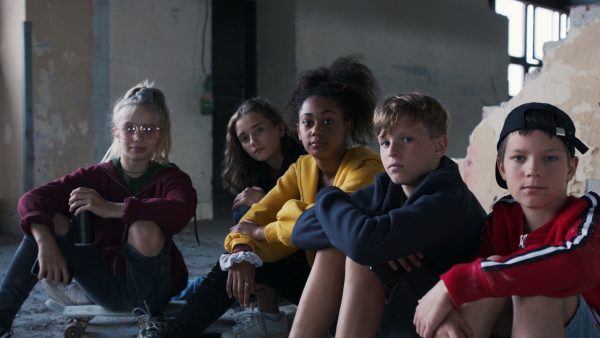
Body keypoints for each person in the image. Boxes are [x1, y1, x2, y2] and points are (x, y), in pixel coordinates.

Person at [157, 55, 384, 338]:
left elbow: (320, 226)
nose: (317, 130)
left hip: (358, 297)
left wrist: (263, 232)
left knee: (324, 246)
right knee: (236, 259)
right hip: (314, 285)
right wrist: (241, 249)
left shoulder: (365, 166)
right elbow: (255, 215)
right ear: (298, 130)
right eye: (308, 122)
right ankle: (171, 334)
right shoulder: (302, 167)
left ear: (347, 127)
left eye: (328, 121)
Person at [0, 81, 198, 338]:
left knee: (143, 226)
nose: (138, 137)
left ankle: (151, 320)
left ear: (158, 134)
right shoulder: (95, 175)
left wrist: (112, 209)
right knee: (52, 220)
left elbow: (180, 210)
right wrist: (44, 242)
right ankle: (2, 319)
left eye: (148, 129)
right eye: (129, 129)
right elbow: (32, 198)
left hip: (153, 288)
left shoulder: (172, 178)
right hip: (101, 284)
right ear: (116, 132)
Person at [290, 92, 486, 337]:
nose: (392, 151)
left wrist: (336, 204)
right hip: (404, 302)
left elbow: (362, 245)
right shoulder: (387, 188)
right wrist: (330, 197)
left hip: (447, 314)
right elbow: (300, 231)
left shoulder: (448, 197)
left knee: (359, 253)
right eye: (384, 142)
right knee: (336, 246)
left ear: (439, 147)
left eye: (406, 139)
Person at [413, 102, 599, 338]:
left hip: (587, 327)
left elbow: (576, 265)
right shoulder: (502, 218)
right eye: (519, 157)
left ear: (570, 169)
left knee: (536, 286)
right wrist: (450, 307)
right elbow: (477, 278)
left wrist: (455, 284)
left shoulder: (589, 215)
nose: (533, 170)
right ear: (502, 168)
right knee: (483, 278)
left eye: (550, 158)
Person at [170, 97, 305, 301]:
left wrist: (265, 201)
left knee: (246, 213)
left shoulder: (304, 162)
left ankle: (266, 307)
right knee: (224, 281)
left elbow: (304, 215)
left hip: (302, 258)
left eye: (259, 130)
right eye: (244, 138)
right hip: (269, 258)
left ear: (280, 129)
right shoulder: (256, 173)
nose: (253, 142)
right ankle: (174, 293)